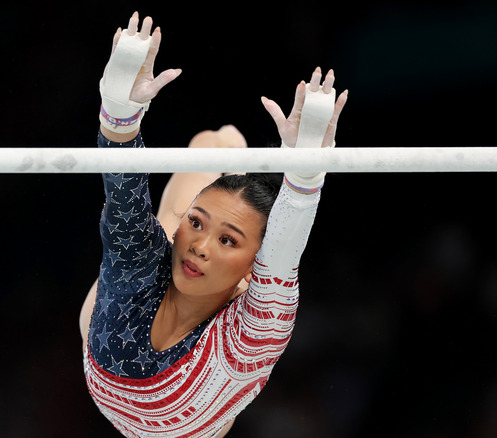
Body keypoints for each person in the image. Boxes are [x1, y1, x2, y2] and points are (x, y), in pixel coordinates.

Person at [79, 12, 347, 437]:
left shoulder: (246, 338)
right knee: (199, 171)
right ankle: (222, 161)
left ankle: (226, 157)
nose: (200, 246)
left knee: (214, 153)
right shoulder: (142, 265)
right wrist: (118, 111)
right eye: (200, 226)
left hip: (194, 403)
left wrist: (306, 175)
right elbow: (123, 188)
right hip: (125, 317)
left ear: (253, 268)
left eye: (226, 240)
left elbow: (281, 251)